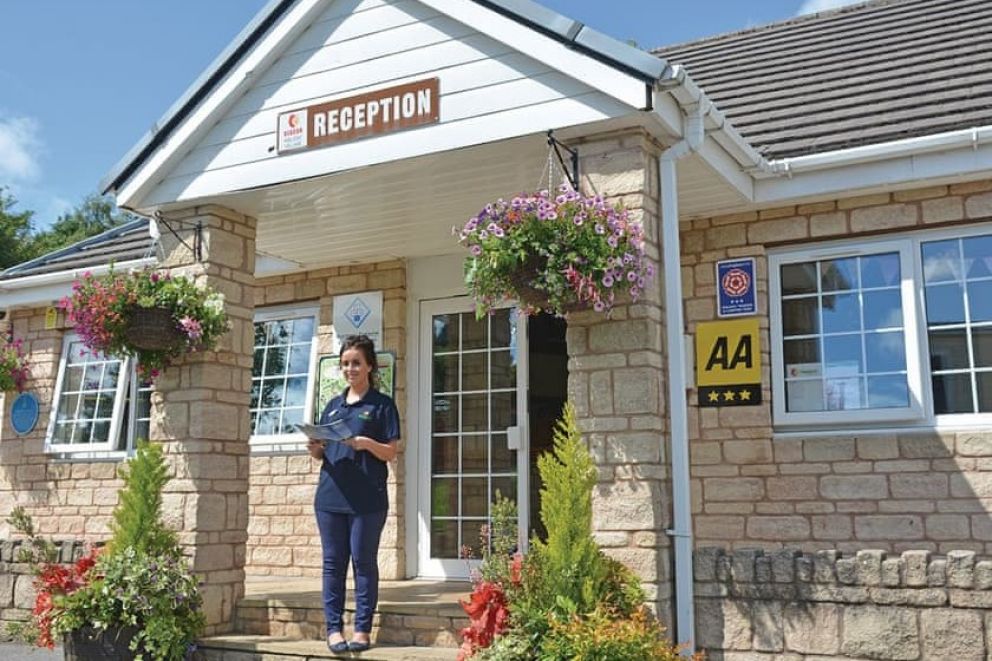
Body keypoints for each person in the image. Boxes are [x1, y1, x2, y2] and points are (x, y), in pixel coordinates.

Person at [306, 334, 399, 654]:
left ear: (369, 366)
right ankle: (333, 630)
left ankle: (362, 629)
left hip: (367, 500)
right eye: (345, 363)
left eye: (356, 363)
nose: (350, 369)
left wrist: (365, 443)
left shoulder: (383, 405)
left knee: (363, 563)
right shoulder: (333, 406)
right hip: (330, 498)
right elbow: (323, 453)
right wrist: (315, 448)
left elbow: (391, 452)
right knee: (333, 565)